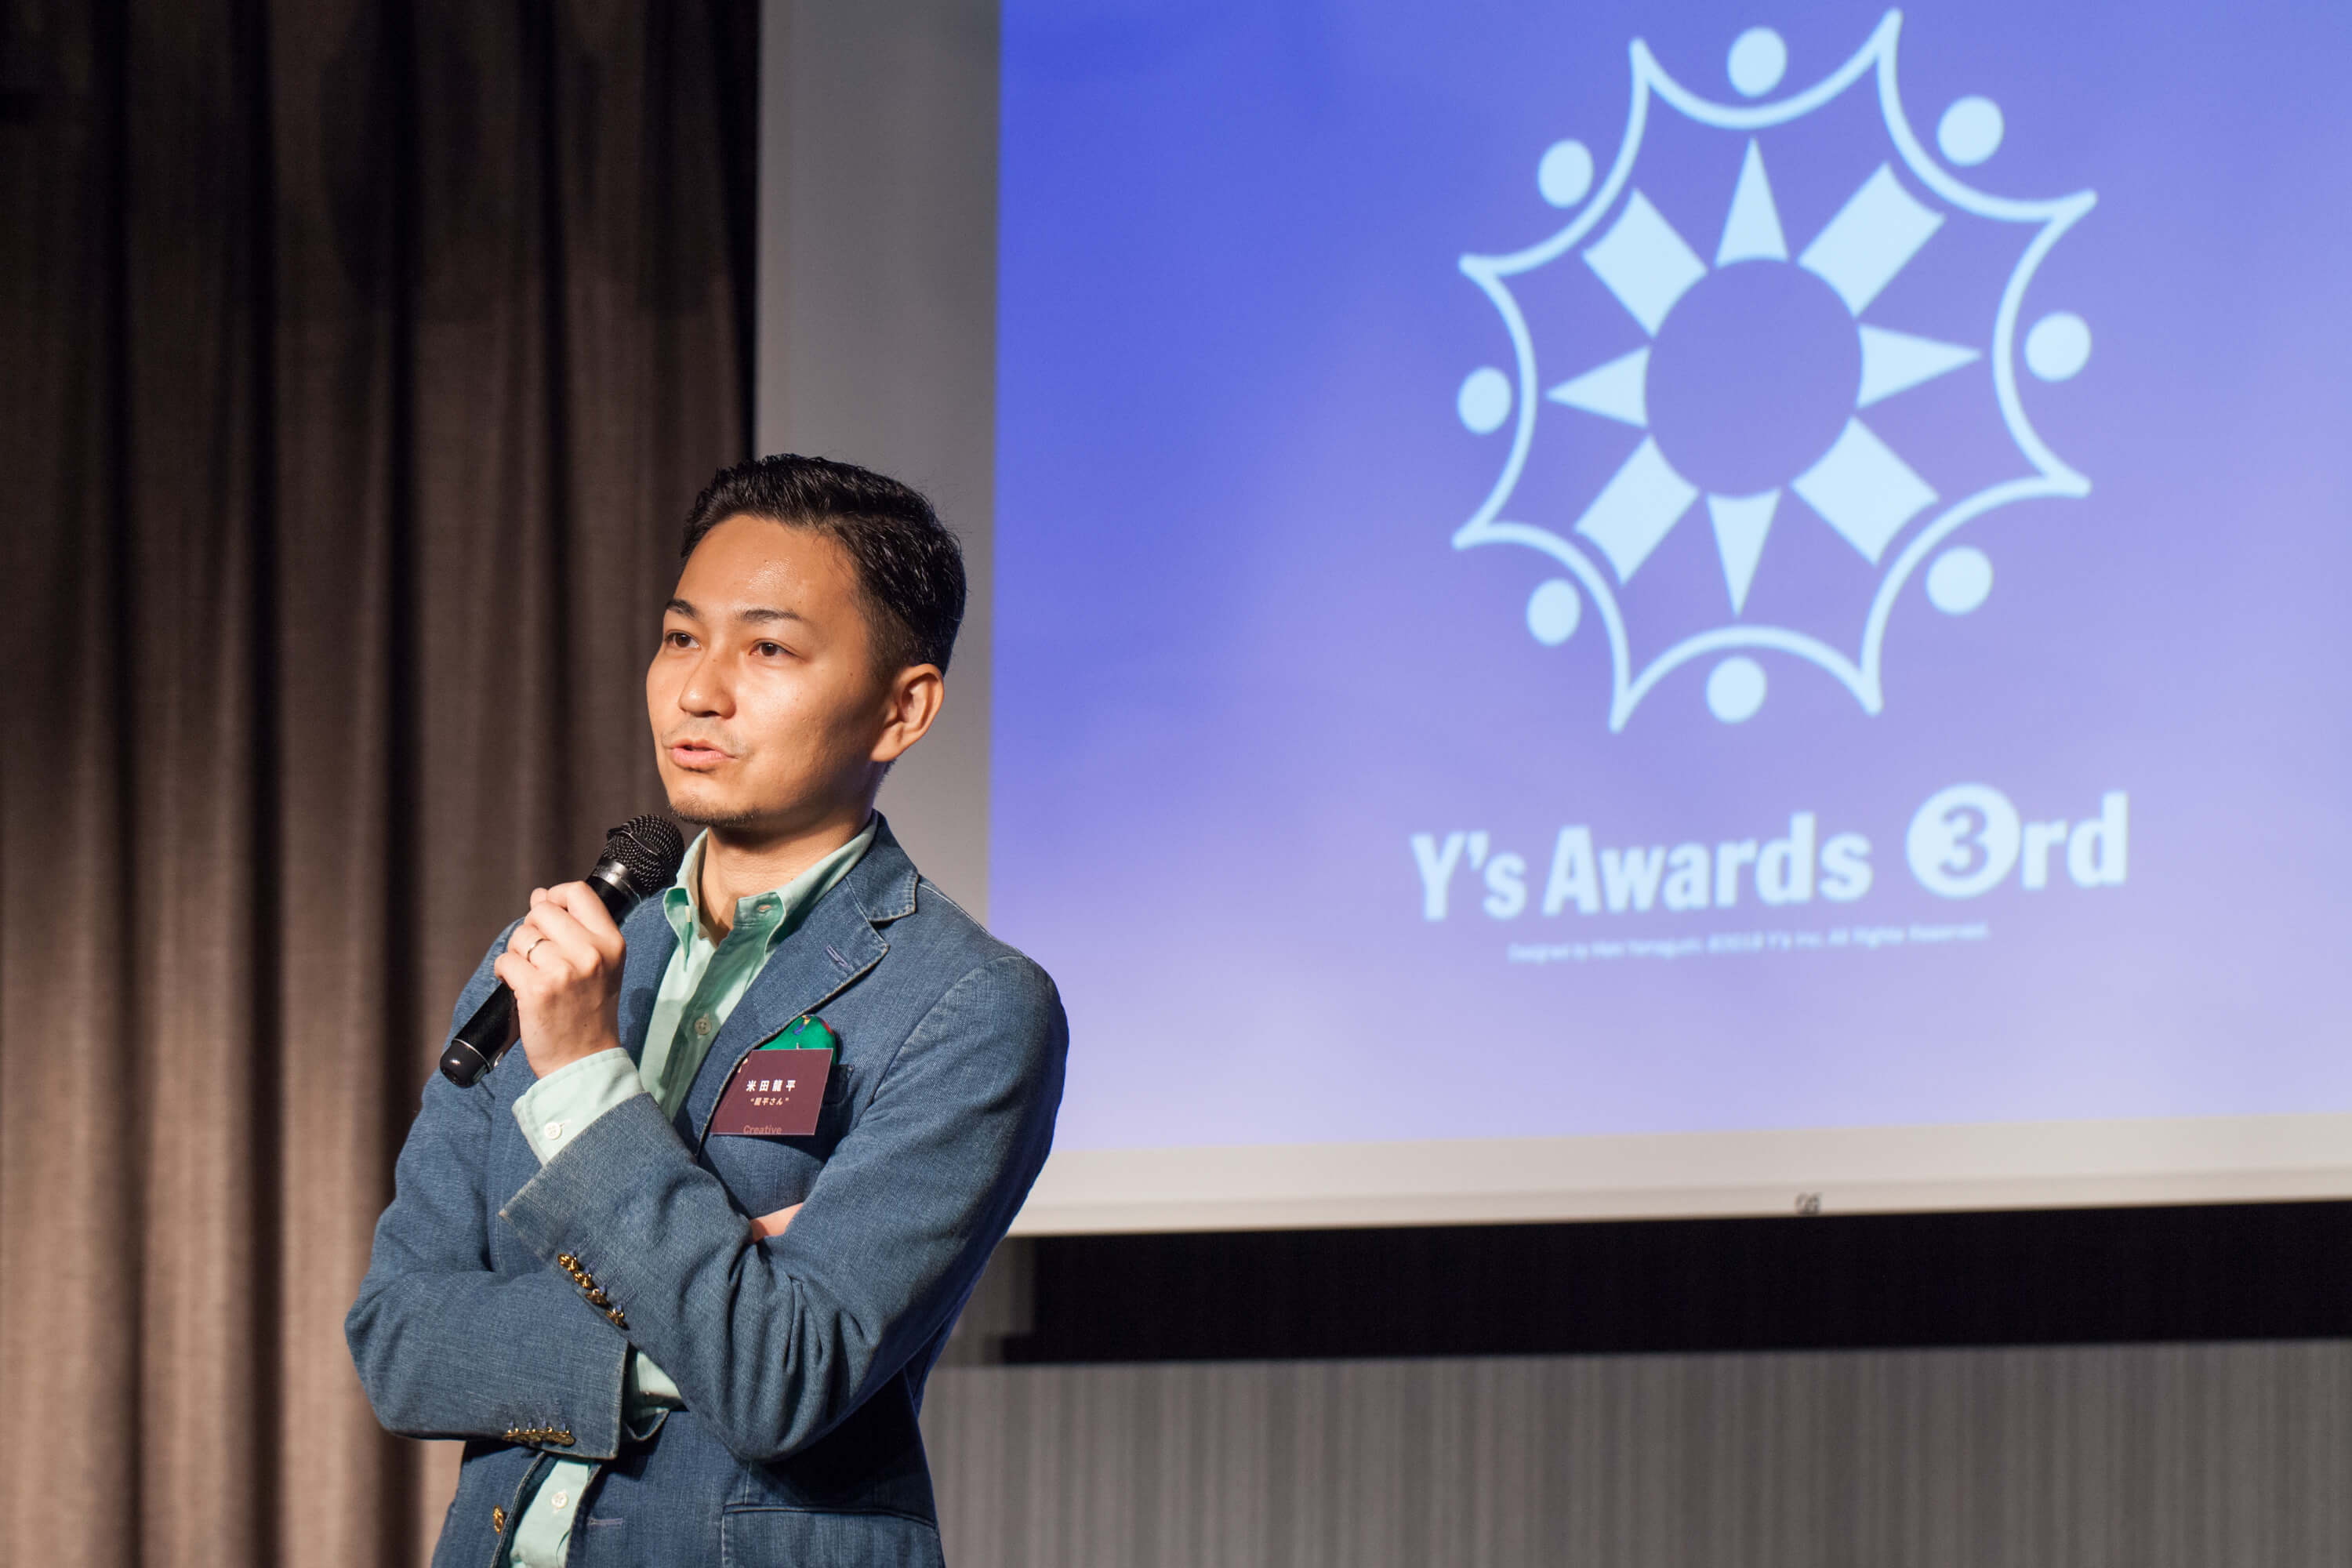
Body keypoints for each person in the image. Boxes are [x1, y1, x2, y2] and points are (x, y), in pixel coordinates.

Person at [347, 455, 1065, 1566]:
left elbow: (784, 1375)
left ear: (903, 707)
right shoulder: (553, 957)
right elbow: (399, 1342)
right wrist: (711, 1302)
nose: (699, 691)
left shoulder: (968, 1006)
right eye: (682, 637)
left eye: (767, 649)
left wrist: (583, 1074)